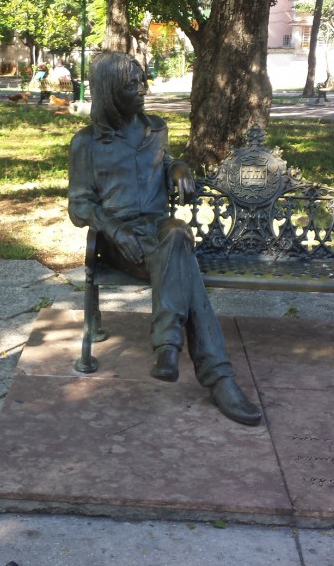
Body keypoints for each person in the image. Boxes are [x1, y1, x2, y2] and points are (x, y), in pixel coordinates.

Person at [68, 50, 262, 426]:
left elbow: (166, 162)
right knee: (182, 257)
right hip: (122, 244)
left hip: (161, 234)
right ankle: (217, 377)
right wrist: (114, 228)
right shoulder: (87, 144)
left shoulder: (157, 129)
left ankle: (170, 346)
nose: (143, 88)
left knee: (175, 234)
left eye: (142, 80)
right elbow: (79, 206)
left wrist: (179, 167)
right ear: (109, 90)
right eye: (132, 84)